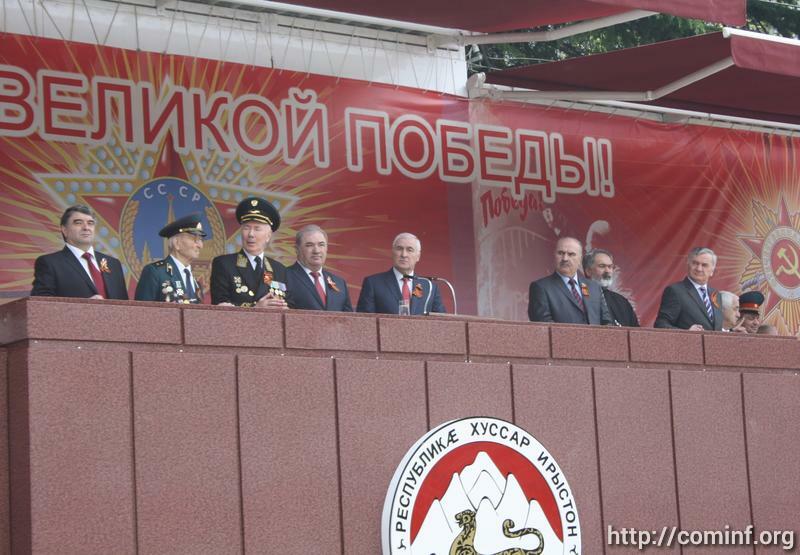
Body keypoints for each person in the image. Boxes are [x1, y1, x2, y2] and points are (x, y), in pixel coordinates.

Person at [31, 204, 128, 299]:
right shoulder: (50, 263)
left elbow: (125, 306)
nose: (86, 227)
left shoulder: (113, 264)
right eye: (78, 223)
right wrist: (84, 307)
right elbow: (40, 304)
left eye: (90, 223)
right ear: (64, 230)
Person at [210, 196, 288, 308]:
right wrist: (256, 308)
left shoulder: (279, 269)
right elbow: (219, 306)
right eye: (246, 228)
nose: (251, 234)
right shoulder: (224, 264)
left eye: (257, 229)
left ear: (268, 236)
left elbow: (290, 304)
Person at [356, 232, 446, 315]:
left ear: (418, 256)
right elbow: (364, 321)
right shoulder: (373, 284)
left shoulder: (429, 287)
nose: (404, 255)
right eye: (399, 249)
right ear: (392, 252)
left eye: (409, 250)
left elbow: (441, 321)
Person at [528, 237, 611, 325]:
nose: (565, 258)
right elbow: (543, 325)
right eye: (560, 253)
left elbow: (607, 322)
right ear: (554, 256)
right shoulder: (541, 287)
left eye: (571, 254)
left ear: (580, 259)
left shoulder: (594, 287)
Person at [134, 214, 206, 303]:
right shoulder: (155, 272)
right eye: (195, 240)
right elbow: (141, 310)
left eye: (200, 240)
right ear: (177, 243)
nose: (200, 245)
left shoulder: (194, 280)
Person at [286, 225, 352, 311]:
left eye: (321, 245)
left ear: (327, 248)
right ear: (297, 249)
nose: (316, 251)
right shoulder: (284, 276)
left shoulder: (340, 283)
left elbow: (348, 317)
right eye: (309, 245)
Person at [654, 247, 722, 331]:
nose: (699, 269)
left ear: (712, 271)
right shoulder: (675, 291)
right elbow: (661, 324)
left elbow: (713, 328)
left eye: (704, 265)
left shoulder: (716, 294)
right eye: (695, 263)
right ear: (688, 265)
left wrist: (732, 331)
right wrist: (686, 333)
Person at [581, 248, 639, 327]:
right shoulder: (579, 296)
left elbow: (635, 331)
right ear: (588, 271)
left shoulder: (621, 301)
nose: (607, 271)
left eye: (610, 267)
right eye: (602, 266)